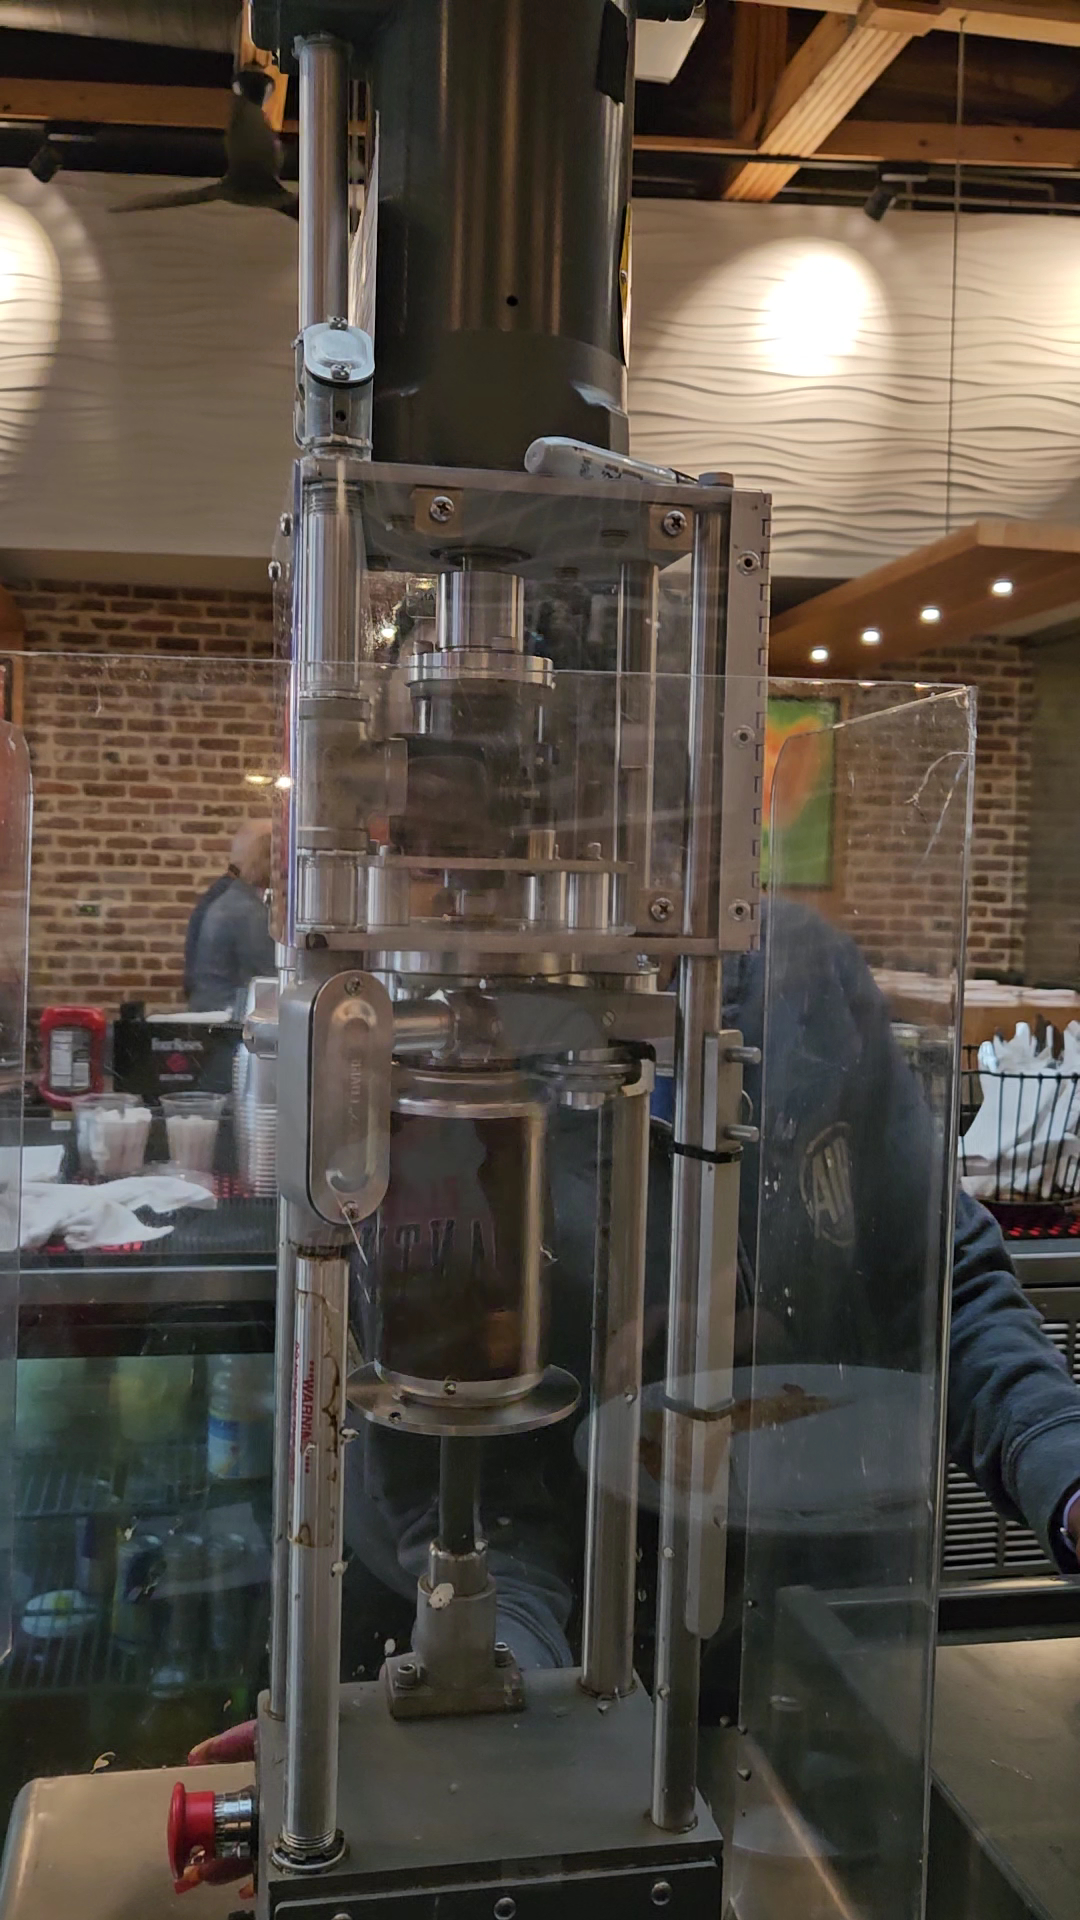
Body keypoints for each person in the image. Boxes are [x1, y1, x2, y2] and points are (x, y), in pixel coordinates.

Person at [341, 901, 1080, 1689]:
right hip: (551, 1625)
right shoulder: (461, 1029)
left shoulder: (803, 980)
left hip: (795, 1624)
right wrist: (496, 1675)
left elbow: (938, 1283)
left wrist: (1061, 1464)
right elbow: (463, 1474)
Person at [188, 819, 275, 1013]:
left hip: (214, 1008)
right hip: (227, 1013)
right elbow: (271, 977)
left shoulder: (233, 899)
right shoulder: (249, 911)